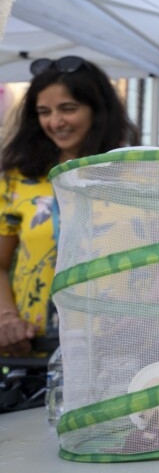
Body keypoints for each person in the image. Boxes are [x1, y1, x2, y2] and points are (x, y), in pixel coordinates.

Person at [0, 55, 139, 353]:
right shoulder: (17, 180)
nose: (55, 122)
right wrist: (6, 318)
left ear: (97, 110)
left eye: (68, 109)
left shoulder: (138, 175)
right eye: (44, 111)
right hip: (35, 351)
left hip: (124, 348)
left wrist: (146, 312)